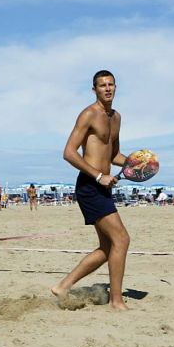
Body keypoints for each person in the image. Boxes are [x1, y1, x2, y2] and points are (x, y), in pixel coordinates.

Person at [51, 70, 131, 311]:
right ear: (94, 89)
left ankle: (63, 286)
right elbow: (69, 152)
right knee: (122, 239)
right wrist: (98, 176)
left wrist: (134, 164)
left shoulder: (116, 118)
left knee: (109, 248)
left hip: (103, 186)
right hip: (89, 185)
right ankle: (116, 301)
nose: (107, 89)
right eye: (102, 85)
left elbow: (113, 154)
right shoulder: (89, 114)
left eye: (111, 85)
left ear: (116, 87)